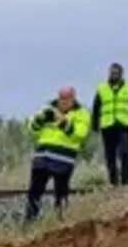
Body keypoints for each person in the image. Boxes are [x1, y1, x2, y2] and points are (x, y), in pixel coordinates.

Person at [25, 87, 89, 222]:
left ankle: (61, 221)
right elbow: (32, 129)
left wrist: (61, 121)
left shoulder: (81, 113)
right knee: (34, 192)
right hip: (42, 157)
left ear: (73, 98)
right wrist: (41, 119)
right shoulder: (47, 109)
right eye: (62, 98)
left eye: (67, 98)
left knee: (61, 194)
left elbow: (80, 135)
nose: (64, 102)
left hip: (63, 160)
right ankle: (29, 221)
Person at [91, 63, 128, 188]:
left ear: (121, 74)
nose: (114, 75)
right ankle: (113, 181)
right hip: (107, 125)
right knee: (110, 155)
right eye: (112, 73)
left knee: (124, 153)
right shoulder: (102, 88)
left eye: (116, 73)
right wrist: (95, 124)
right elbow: (96, 107)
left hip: (123, 124)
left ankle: (125, 182)